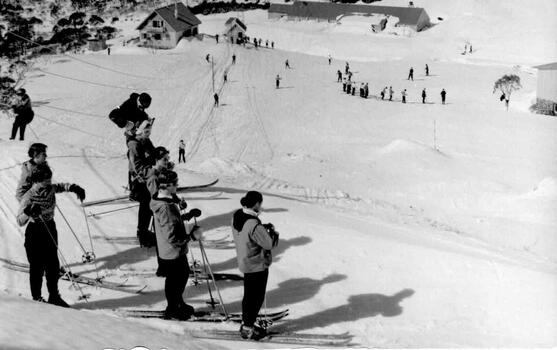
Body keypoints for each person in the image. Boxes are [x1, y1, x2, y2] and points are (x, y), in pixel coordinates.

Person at [17, 164, 86, 307]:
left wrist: (74, 188)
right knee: (37, 267)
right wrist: (28, 212)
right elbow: (20, 221)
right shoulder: (29, 196)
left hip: (50, 227)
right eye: (45, 181)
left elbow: (61, 186)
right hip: (35, 232)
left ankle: (54, 296)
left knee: (53, 265)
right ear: (37, 180)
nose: (48, 183)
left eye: (49, 180)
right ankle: (37, 298)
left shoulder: (50, 188)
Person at [150, 170, 199, 320]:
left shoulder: (162, 200)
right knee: (176, 280)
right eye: (175, 183)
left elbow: (172, 222)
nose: (177, 185)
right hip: (172, 250)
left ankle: (178, 302)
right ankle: (172, 309)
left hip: (171, 249)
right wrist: (190, 236)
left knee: (181, 276)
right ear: (167, 185)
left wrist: (188, 215)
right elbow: (171, 235)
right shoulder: (165, 207)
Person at [232, 191, 279, 340]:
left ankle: (247, 323)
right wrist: (272, 233)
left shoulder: (237, 215)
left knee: (249, 296)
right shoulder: (253, 224)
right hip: (257, 264)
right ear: (257, 203)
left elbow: (247, 233)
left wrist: (261, 229)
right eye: (260, 203)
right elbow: (268, 243)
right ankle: (248, 328)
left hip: (245, 261)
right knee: (256, 297)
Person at [127, 119, 156, 247]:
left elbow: (155, 154)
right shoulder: (134, 144)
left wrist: (163, 160)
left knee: (152, 202)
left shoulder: (146, 141)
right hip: (138, 179)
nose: (148, 133)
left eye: (149, 131)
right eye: (146, 131)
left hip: (148, 177)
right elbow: (137, 167)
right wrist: (152, 171)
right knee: (146, 202)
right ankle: (143, 234)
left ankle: (147, 232)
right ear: (139, 131)